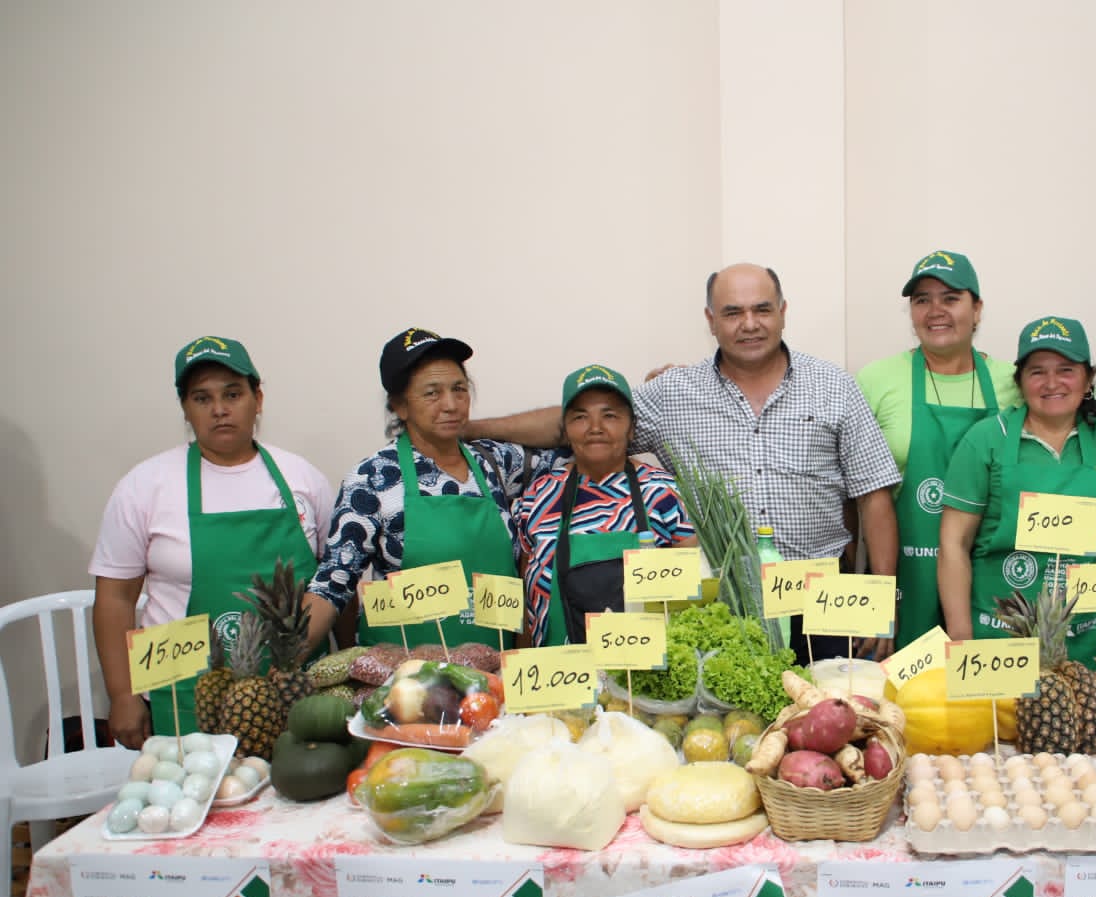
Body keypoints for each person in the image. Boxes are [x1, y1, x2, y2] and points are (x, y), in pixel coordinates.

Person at [468, 264, 903, 661]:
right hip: (726, 612)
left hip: (825, 601)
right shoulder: (674, 394)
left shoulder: (834, 386)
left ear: (784, 312)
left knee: (838, 725)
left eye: (762, 309)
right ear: (711, 321)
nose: (749, 324)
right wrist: (469, 428)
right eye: (732, 313)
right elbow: (583, 420)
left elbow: (874, 496)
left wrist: (883, 600)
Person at [91, 336, 333, 746]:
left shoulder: (302, 478)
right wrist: (122, 693)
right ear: (185, 408)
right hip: (187, 697)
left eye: (232, 394)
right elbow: (115, 597)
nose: (219, 409)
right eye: (202, 398)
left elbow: (333, 582)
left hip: (299, 693)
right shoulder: (145, 485)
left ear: (258, 399)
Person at [305, 329, 561, 649]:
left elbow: (579, 433)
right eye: (432, 393)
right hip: (404, 685)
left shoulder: (493, 463)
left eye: (459, 389)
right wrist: (285, 661)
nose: (451, 404)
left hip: (493, 683)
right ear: (400, 406)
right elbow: (332, 584)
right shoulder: (372, 478)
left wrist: (480, 428)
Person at [856, 251, 1021, 649]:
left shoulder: (1015, 382)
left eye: (950, 298)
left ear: (977, 309)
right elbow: (856, 496)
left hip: (993, 580)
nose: (935, 311)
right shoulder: (876, 380)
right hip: (904, 577)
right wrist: (869, 598)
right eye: (922, 300)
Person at [939, 316, 1096, 663]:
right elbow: (953, 543)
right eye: (1037, 371)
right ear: (1019, 380)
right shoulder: (986, 440)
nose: (1052, 383)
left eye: (1066, 369)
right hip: (996, 642)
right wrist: (961, 637)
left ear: (1088, 378)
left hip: (1082, 645)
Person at [512, 365, 697, 645]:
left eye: (610, 415)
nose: (595, 428)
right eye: (580, 417)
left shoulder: (664, 493)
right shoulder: (539, 496)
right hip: (558, 678)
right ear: (566, 429)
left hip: (644, 680)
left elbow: (692, 599)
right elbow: (526, 600)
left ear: (632, 428)